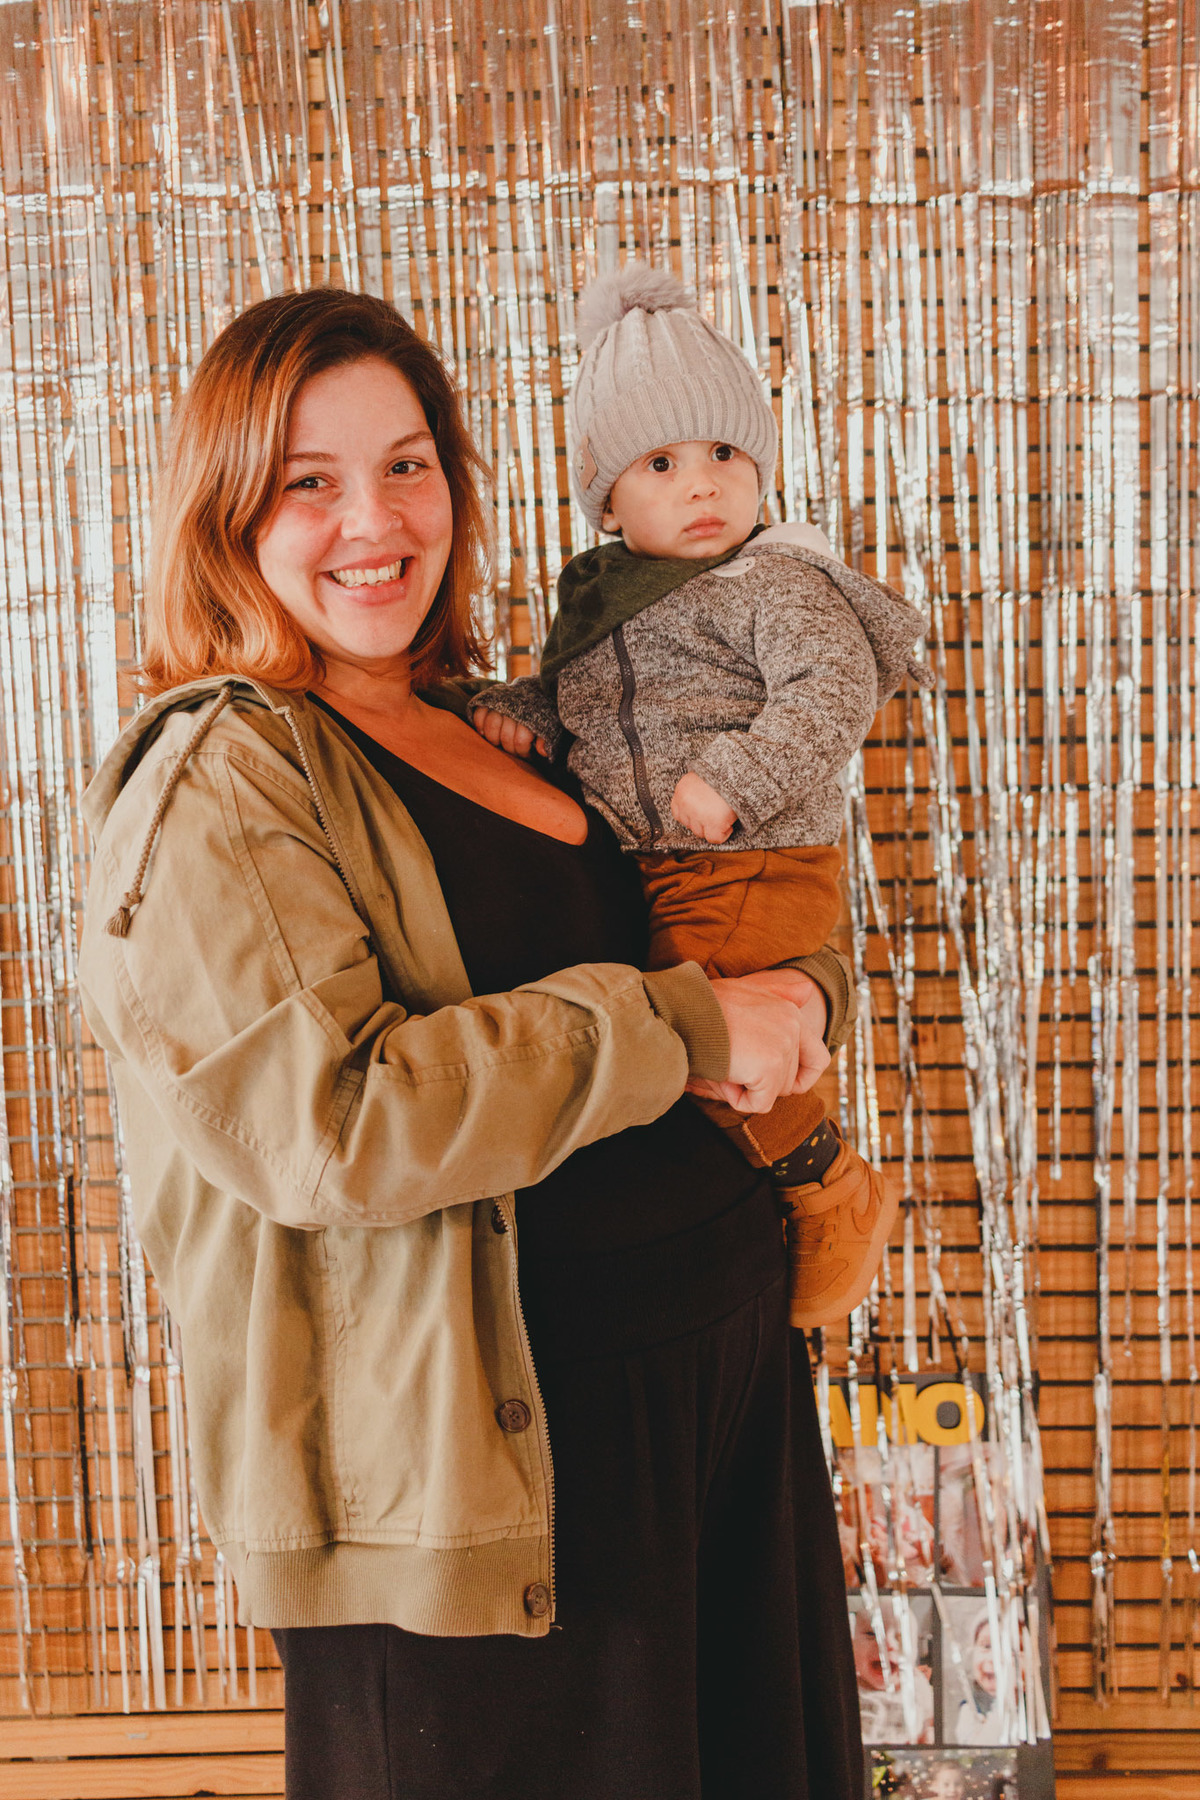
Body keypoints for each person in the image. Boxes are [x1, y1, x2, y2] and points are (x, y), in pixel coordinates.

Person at [77, 287, 863, 1800]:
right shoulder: (224, 776)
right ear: (227, 513)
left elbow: (721, 926)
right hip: (493, 1487)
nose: (373, 520)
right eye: (307, 481)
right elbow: (338, 1122)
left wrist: (812, 993)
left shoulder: (505, 717)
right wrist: (684, 1023)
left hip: (713, 1398)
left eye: (407, 465)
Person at [471, 263, 931, 1328]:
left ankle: (829, 1186)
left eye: (726, 454)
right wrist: (529, 710)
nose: (702, 486)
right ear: (606, 495)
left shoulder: (775, 580)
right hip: (663, 863)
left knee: (696, 1027)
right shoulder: (611, 597)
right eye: (662, 463)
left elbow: (831, 689)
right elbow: (592, 704)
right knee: (670, 1034)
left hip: (748, 856)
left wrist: (736, 778)